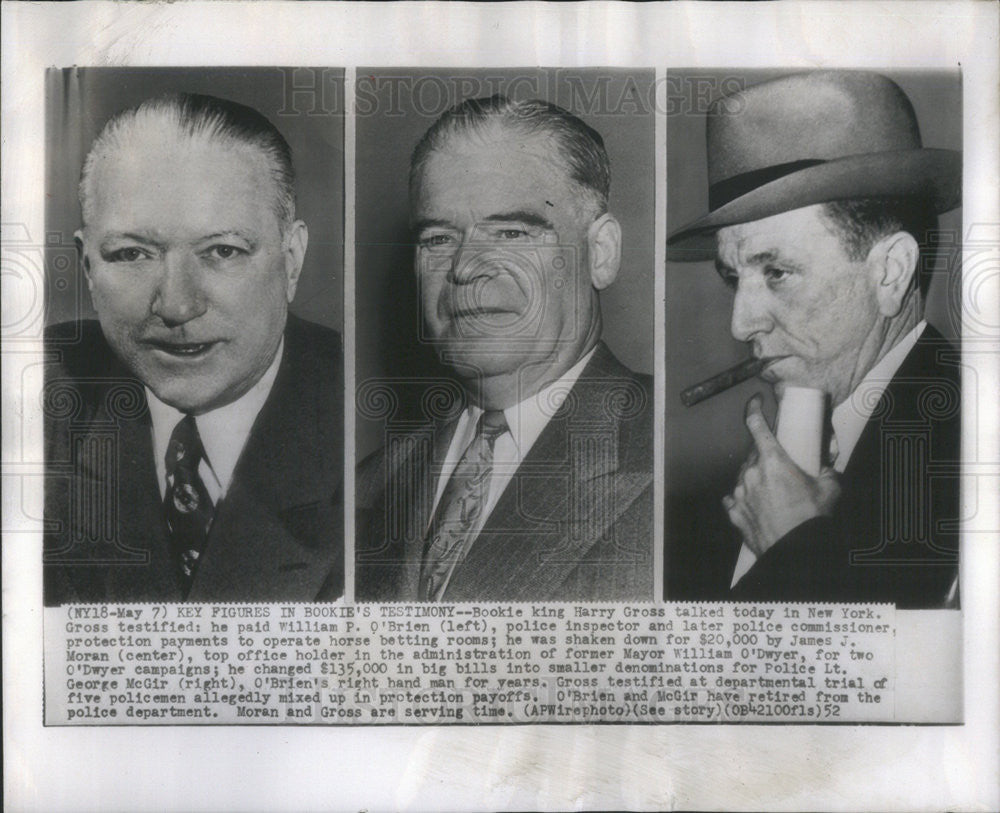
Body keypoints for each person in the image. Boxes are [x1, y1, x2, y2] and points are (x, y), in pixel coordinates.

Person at [666, 71, 961, 608]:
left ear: (891, 272)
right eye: (734, 278)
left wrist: (796, 551)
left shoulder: (970, 463)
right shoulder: (723, 499)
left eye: (776, 271)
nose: (742, 324)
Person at [44, 92, 343, 604]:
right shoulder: (30, 398)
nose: (177, 306)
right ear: (88, 267)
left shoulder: (375, 428)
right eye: (132, 253)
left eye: (222, 251)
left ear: (291, 260)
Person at [355, 96, 653, 601]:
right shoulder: (369, 486)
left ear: (600, 253)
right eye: (438, 239)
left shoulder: (672, 454)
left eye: (512, 232)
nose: (466, 266)